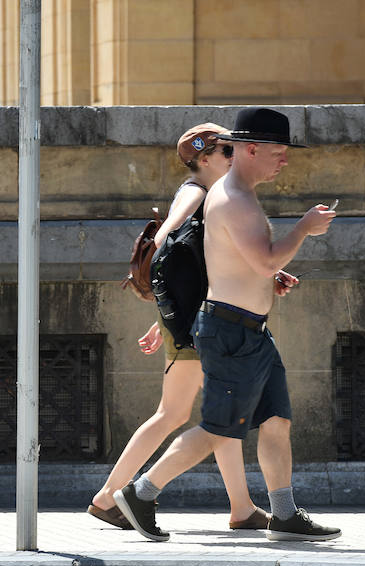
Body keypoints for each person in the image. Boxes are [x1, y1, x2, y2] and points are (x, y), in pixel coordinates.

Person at [114, 107, 341, 542]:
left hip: (250, 330)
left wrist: (267, 279)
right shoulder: (232, 197)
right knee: (219, 428)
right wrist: (304, 229)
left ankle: (284, 514)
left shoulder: (238, 193)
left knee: (275, 418)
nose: (285, 159)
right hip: (230, 331)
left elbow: (250, 263)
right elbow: (266, 257)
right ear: (251, 149)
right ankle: (140, 494)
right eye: (279, 151)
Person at [89, 123, 295, 532]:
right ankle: (113, 495)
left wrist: (163, 316)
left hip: (195, 315)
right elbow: (167, 243)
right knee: (192, 413)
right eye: (225, 153)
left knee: (211, 412)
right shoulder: (196, 192)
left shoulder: (213, 196)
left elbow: (199, 261)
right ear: (204, 158)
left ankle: (240, 507)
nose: (232, 158)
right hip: (203, 320)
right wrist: (169, 312)